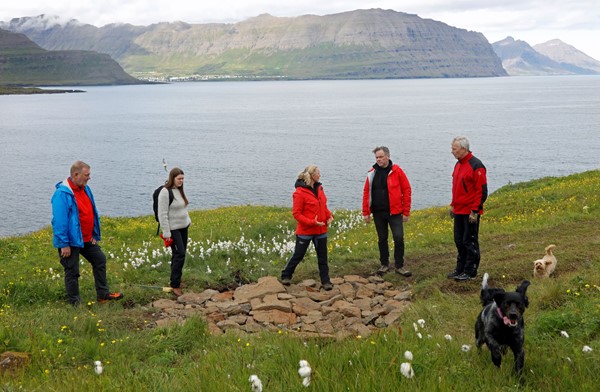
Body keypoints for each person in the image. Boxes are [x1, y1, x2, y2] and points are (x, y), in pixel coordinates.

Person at [51, 161, 124, 305]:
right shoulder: (62, 194)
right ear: (75, 174)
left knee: (100, 259)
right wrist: (64, 244)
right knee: (72, 270)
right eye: (87, 175)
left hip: (86, 238)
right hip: (71, 241)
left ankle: (103, 295)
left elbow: (91, 212)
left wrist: (93, 234)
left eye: (89, 175)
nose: (89, 178)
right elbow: (60, 221)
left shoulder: (85, 189)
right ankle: (75, 303)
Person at [281, 165, 334, 290]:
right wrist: (312, 222)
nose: (320, 175)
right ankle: (286, 275)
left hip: (321, 230)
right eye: (318, 173)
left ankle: (325, 281)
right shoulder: (299, 193)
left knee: (323, 256)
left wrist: (329, 216)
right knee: (298, 255)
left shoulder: (320, 188)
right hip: (306, 231)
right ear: (311, 175)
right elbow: (296, 214)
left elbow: (323, 206)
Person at [362, 146, 412, 277]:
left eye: (381, 157)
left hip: (394, 212)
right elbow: (366, 193)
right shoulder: (371, 173)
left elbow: (407, 190)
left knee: (399, 238)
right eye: (376, 157)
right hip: (378, 213)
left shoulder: (397, 171)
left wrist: (406, 212)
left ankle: (399, 266)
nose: (378, 159)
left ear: (388, 156)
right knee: (382, 239)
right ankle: (384, 265)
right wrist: (365, 212)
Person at [448, 136, 488, 281]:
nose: (452, 152)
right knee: (459, 240)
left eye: (454, 149)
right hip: (458, 210)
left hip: (470, 212)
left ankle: (470, 271)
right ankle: (460, 268)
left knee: (469, 241)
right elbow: (456, 187)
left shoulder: (476, 165)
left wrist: (475, 211)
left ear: (463, 149)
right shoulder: (458, 164)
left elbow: (481, 191)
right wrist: (453, 204)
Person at [157, 167, 192, 297]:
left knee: (178, 255)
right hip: (173, 229)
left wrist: (188, 220)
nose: (181, 181)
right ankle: (175, 285)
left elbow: (183, 208)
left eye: (183, 179)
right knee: (180, 254)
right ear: (173, 178)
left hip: (184, 227)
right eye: (179, 179)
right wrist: (166, 233)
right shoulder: (165, 192)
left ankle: (175, 280)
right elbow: (162, 214)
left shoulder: (179, 190)